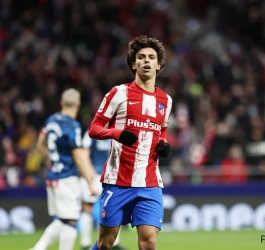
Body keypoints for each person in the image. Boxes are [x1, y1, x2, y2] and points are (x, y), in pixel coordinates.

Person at [88, 35, 173, 250]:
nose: (146, 61)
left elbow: (160, 130)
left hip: (150, 182)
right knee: (106, 243)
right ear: (133, 64)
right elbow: (94, 129)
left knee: (149, 242)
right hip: (118, 181)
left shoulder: (166, 100)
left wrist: (163, 144)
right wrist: (117, 133)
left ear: (159, 64)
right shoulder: (119, 93)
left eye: (151, 57)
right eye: (141, 57)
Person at [29, 88, 96, 250]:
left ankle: (38, 248)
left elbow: (40, 144)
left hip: (53, 176)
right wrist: (89, 180)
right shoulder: (72, 125)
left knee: (62, 219)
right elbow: (78, 155)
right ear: (78, 105)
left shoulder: (51, 120)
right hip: (67, 177)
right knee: (71, 220)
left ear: (62, 103)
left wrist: (49, 162)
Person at [80, 131, 126, 250]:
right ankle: (85, 243)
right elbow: (84, 153)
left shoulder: (115, 131)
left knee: (114, 208)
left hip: (111, 176)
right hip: (94, 174)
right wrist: (88, 171)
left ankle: (115, 243)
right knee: (88, 207)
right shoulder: (92, 132)